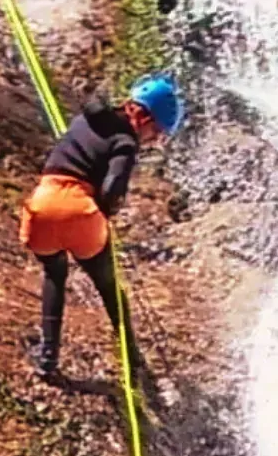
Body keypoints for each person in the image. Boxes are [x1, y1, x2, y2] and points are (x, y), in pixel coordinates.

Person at [19, 74, 185, 384]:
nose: (154, 140)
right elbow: (112, 189)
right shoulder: (126, 143)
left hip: (42, 205)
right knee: (110, 289)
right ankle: (133, 358)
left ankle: (47, 360)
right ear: (142, 116)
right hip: (81, 213)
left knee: (54, 275)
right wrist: (107, 210)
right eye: (156, 131)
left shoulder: (86, 117)